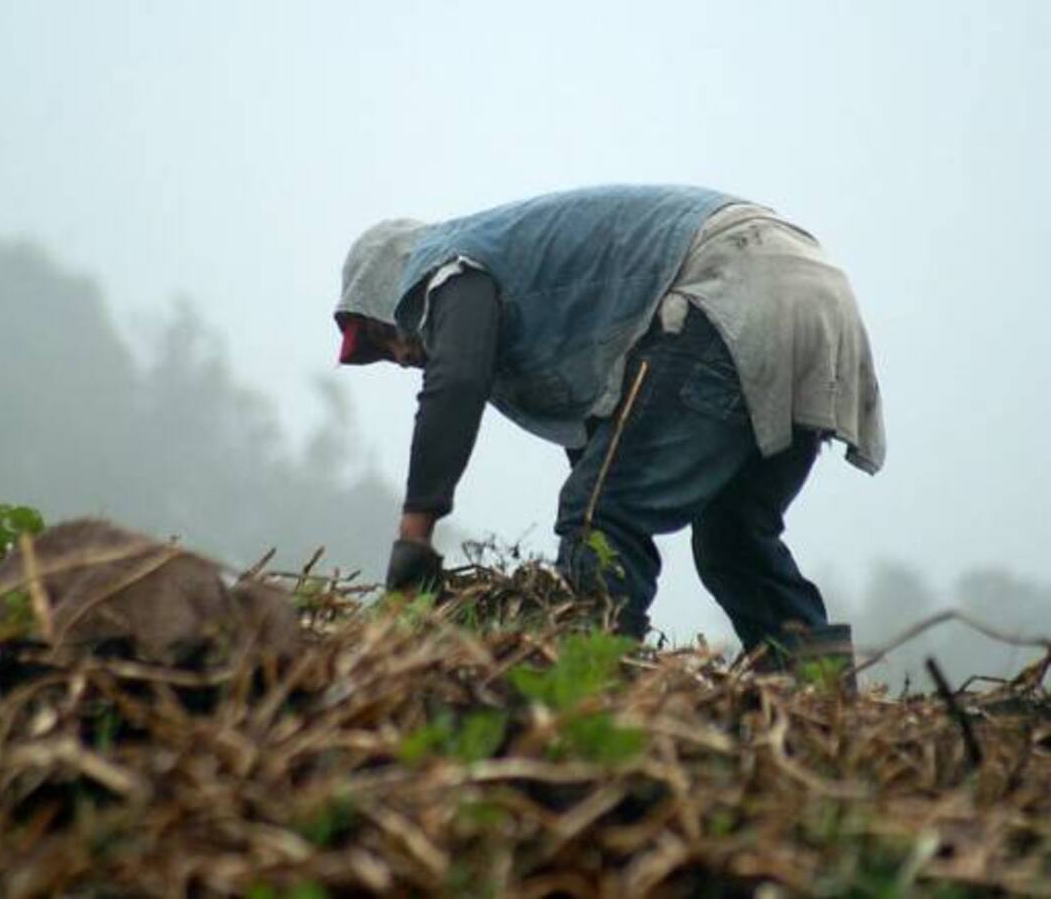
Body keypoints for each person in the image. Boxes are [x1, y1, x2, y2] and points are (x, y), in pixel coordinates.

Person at [333, 185, 884, 656]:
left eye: (383, 337)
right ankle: (823, 695)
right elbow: (614, 438)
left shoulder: (448, 266)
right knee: (732, 541)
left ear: (392, 286)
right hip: (816, 293)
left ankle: (596, 684)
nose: (401, 358)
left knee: (598, 515)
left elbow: (455, 385)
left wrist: (415, 536)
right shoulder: (525, 272)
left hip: (729, 282)